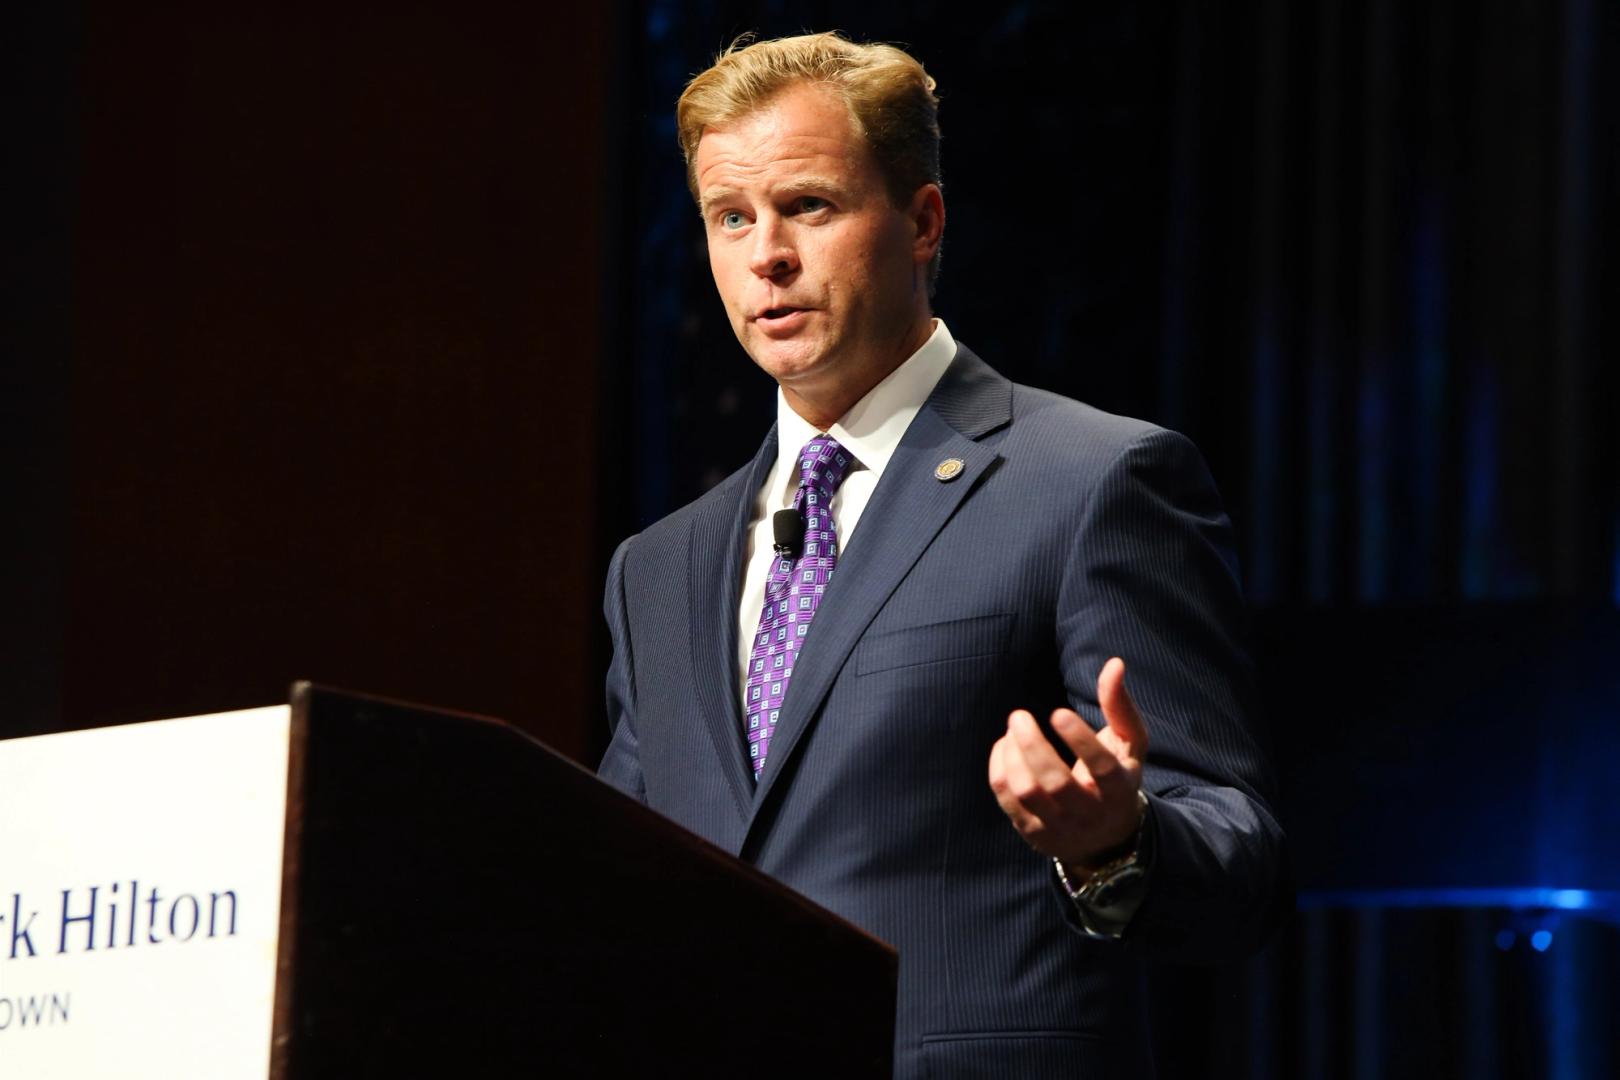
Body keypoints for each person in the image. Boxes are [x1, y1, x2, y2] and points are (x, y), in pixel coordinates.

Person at [599, 31, 1286, 1078]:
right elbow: (615, 883)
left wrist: (1116, 841)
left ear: (922, 221)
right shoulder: (657, 567)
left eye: (808, 206)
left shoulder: (1094, 482)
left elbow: (1242, 867)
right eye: (730, 217)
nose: (766, 255)